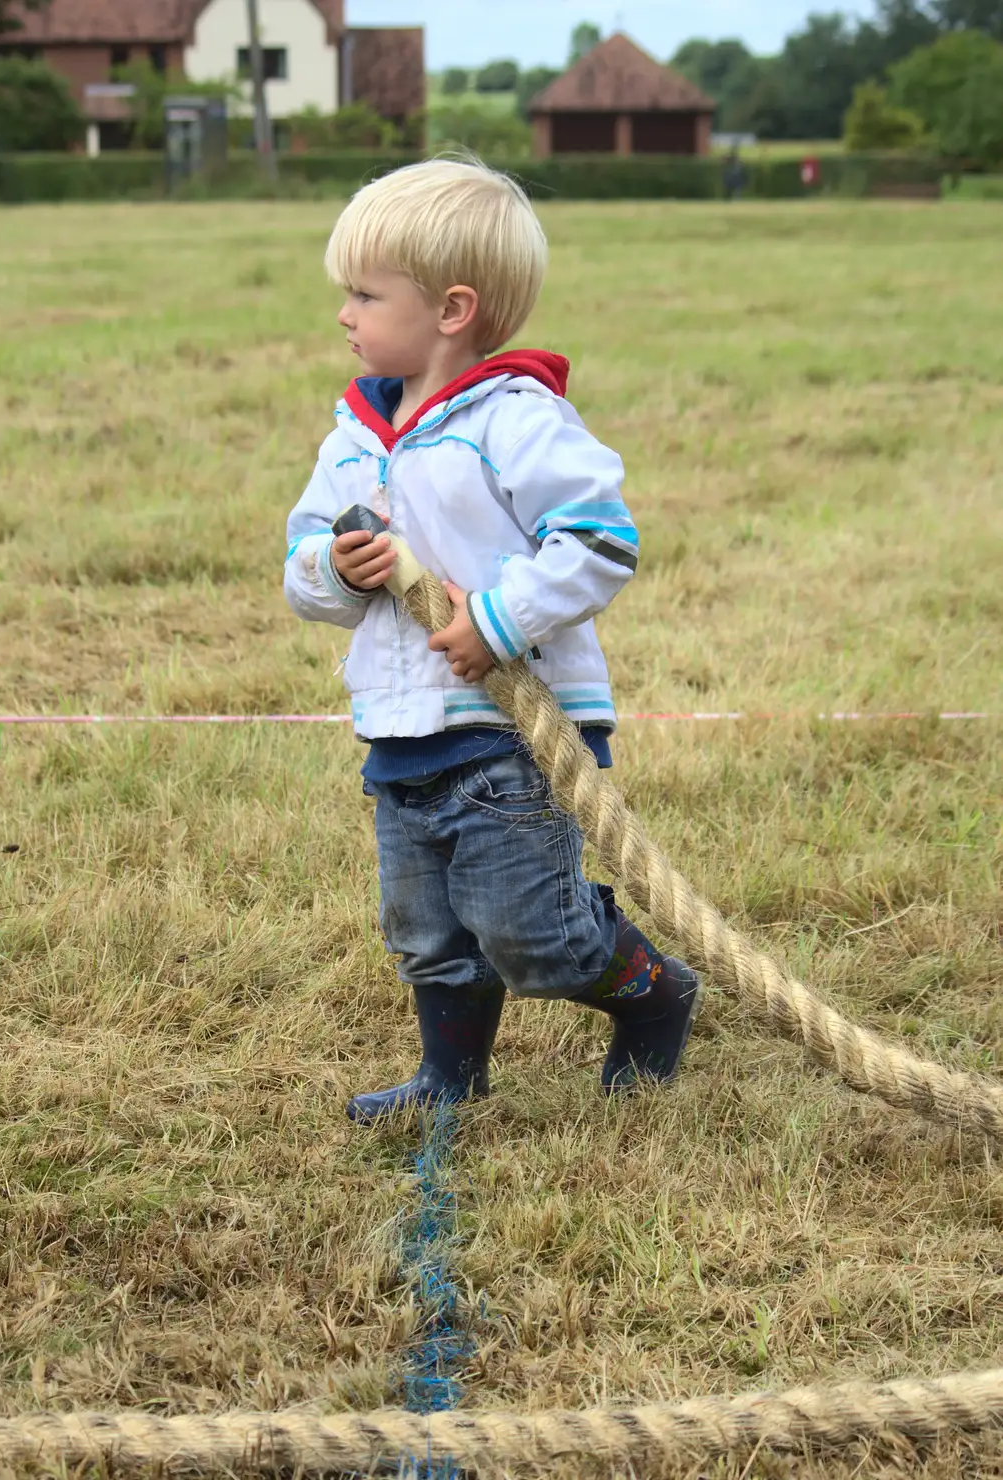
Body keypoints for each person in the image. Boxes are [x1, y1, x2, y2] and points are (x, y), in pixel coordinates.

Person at [284, 157, 700, 1125]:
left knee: (532, 934)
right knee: (425, 930)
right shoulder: (353, 436)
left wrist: (497, 619)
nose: (344, 313)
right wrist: (334, 571)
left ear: (451, 308)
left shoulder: (517, 421)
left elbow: (601, 538)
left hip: (511, 737)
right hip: (399, 734)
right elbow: (301, 555)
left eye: (363, 293)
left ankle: (653, 992)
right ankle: (450, 1078)